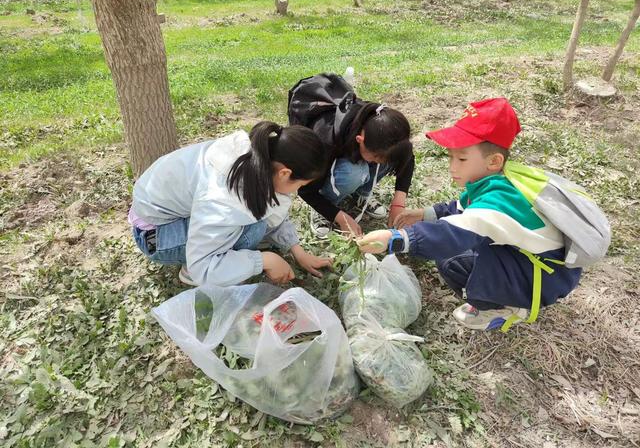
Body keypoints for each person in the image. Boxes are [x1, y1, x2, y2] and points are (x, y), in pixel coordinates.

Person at [357, 98, 582, 331]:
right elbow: (464, 208)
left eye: (461, 158)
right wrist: (425, 214)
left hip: (543, 279)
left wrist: (394, 239)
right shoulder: (501, 181)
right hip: (540, 265)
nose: (452, 167)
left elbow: (452, 233)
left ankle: (503, 307)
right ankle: (506, 290)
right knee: (462, 250)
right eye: (450, 157)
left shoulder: (499, 202)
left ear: (494, 161)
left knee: (452, 262)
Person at [128, 121, 332, 287]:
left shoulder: (257, 156)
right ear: (285, 173)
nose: (296, 191)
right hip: (155, 235)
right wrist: (264, 260)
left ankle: (229, 253)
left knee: (258, 221)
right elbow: (204, 268)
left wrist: (297, 250)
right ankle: (188, 270)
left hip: (165, 213)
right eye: (301, 184)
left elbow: (272, 204)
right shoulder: (225, 198)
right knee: (253, 229)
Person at [299, 102, 415, 238]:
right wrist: (340, 217)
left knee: (389, 158)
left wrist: (398, 205)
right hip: (326, 163)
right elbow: (305, 190)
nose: (377, 163)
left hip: (353, 150)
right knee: (353, 172)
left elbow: (406, 158)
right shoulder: (326, 142)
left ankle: (361, 194)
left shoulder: (381, 125)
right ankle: (325, 204)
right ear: (360, 140)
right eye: (375, 158)